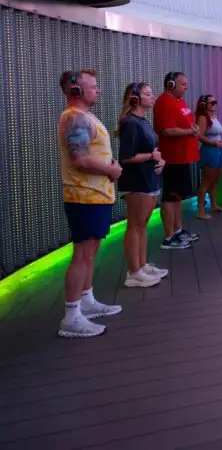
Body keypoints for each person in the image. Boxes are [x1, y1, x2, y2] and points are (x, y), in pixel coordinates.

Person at [57, 69, 123, 338]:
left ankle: (87, 300)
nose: (98, 90)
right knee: (82, 253)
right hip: (83, 196)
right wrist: (111, 170)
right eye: (93, 86)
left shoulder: (85, 116)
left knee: (90, 251)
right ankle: (71, 317)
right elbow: (79, 159)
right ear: (76, 90)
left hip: (96, 195)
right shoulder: (75, 118)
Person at [117, 82, 168, 288]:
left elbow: (152, 149)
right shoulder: (130, 122)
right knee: (135, 226)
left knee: (143, 225)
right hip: (136, 181)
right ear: (135, 98)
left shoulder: (143, 121)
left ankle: (142, 265)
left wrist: (160, 160)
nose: (152, 97)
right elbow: (126, 157)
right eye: (147, 94)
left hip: (149, 179)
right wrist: (151, 156)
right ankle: (134, 271)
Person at [153, 71, 200, 250]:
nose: (186, 87)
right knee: (170, 196)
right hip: (171, 158)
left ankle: (178, 230)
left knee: (178, 196)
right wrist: (190, 131)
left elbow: (182, 123)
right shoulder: (164, 102)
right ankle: (169, 236)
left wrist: (192, 127)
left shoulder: (180, 101)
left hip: (182, 157)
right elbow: (167, 130)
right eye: (183, 84)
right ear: (171, 85)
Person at [195, 94, 222, 220]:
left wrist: (219, 142)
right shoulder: (203, 118)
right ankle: (200, 210)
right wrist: (214, 143)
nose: (214, 105)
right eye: (212, 103)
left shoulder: (213, 117)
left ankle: (213, 205)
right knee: (207, 181)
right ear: (204, 104)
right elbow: (199, 136)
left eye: (215, 102)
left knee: (215, 180)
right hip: (210, 151)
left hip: (218, 150)